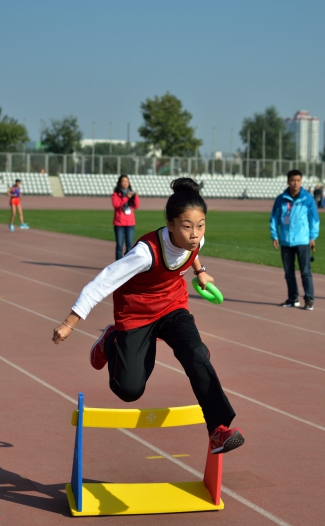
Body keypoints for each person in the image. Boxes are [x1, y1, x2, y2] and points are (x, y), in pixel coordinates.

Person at [52, 177, 244, 456]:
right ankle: (111, 341)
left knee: (197, 353)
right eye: (187, 226)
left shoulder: (196, 240)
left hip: (173, 306)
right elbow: (103, 282)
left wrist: (200, 271)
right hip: (137, 313)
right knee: (129, 389)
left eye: (201, 225)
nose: (195, 234)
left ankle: (217, 429)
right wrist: (69, 323)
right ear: (170, 225)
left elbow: (193, 252)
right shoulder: (145, 253)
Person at [270, 169, 320, 311]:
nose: (295, 183)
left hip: (303, 240)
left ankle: (309, 299)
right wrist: (274, 235)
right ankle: (293, 298)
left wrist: (313, 237)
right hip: (286, 240)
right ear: (288, 181)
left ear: (301, 181)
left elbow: (314, 219)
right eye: (292, 180)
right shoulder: (280, 199)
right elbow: (274, 218)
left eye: (298, 180)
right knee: (288, 272)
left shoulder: (307, 199)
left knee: (305, 272)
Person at [111, 174, 140, 260]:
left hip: (130, 223)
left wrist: (135, 196)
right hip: (119, 223)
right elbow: (116, 205)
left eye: (127, 181)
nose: (125, 183)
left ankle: (128, 263)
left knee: (129, 245)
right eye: (123, 181)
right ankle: (118, 263)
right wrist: (126, 198)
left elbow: (136, 206)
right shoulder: (116, 194)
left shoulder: (130, 193)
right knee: (119, 245)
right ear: (120, 183)